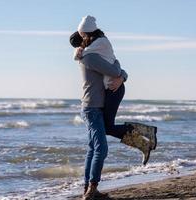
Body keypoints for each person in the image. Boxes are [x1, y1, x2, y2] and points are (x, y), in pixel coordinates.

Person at [70, 15, 157, 200]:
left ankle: (89, 190)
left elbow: (115, 65)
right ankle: (91, 189)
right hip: (91, 108)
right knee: (100, 148)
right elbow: (115, 69)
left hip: (97, 106)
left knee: (94, 148)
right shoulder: (90, 57)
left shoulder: (92, 53)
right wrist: (121, 74)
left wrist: (122, 75)